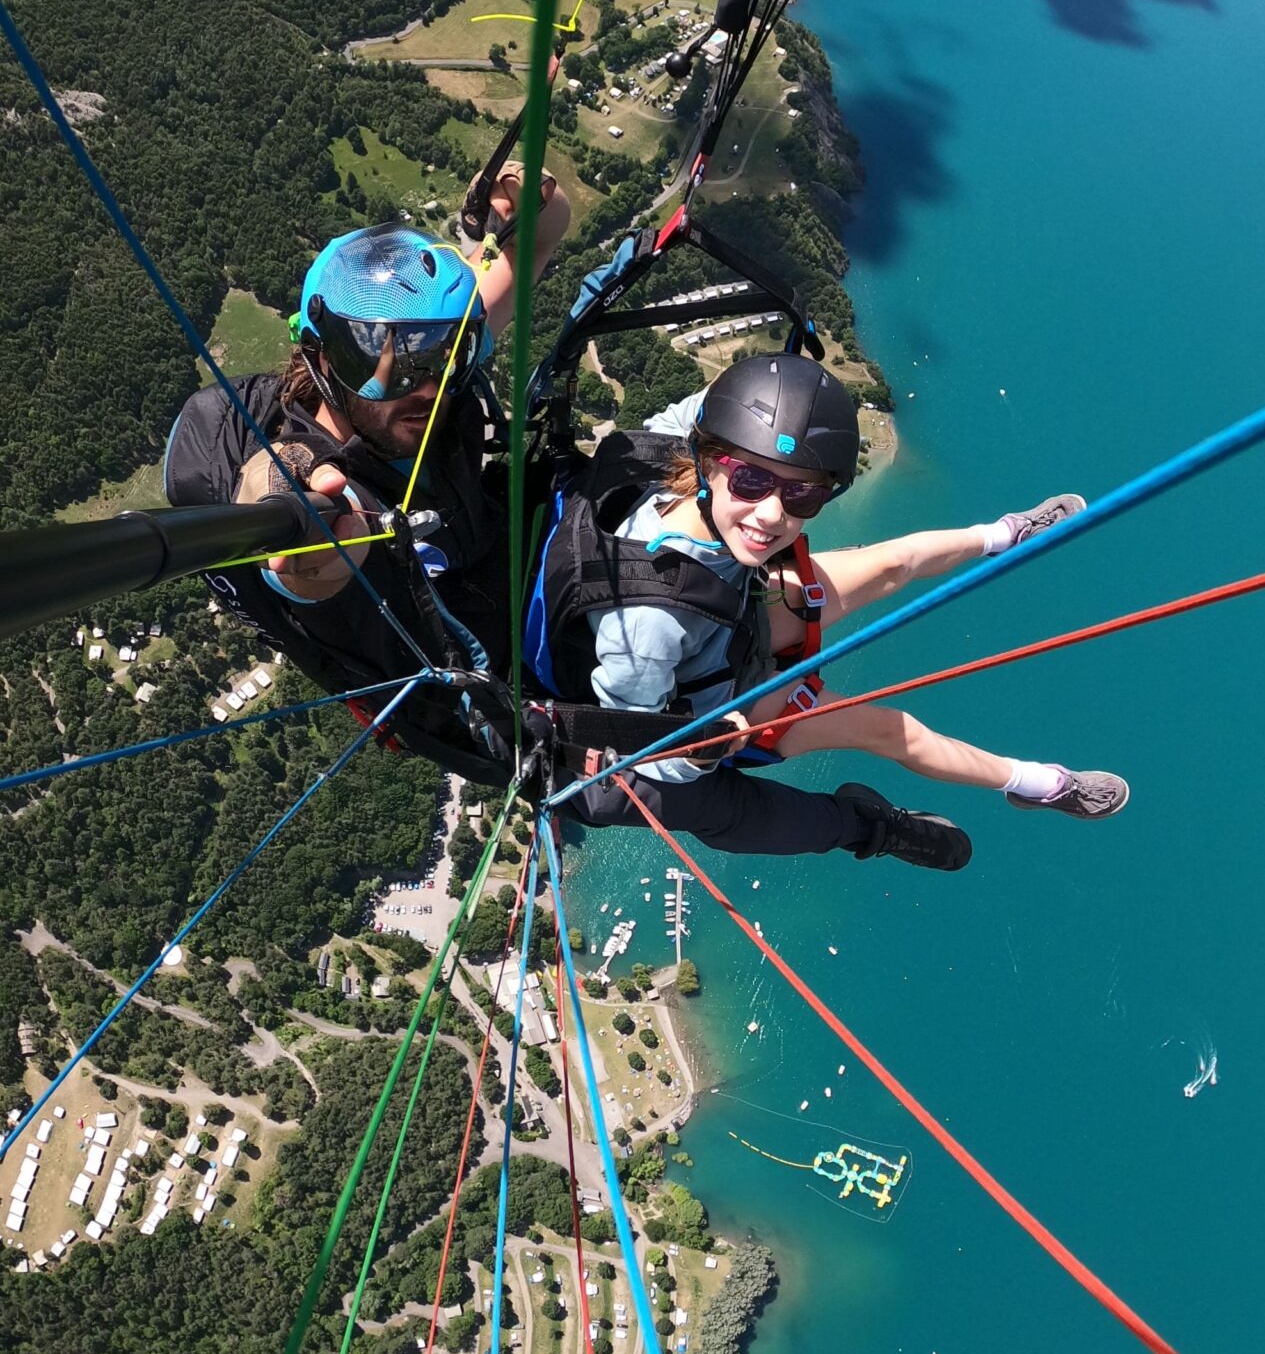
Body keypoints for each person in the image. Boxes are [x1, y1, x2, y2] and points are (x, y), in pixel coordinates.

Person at [539, 349, 1128, 870]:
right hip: (713, 691)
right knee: (889, 729)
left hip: (727, 614)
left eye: (804, 494)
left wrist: (789, 386)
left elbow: (710, 409)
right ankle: (1038, 784)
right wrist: (710, 749)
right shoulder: (645, 630)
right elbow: (642, 752)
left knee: (894, 562)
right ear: (710, 464)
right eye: (750, 481)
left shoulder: (671, 449)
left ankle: (1004, 535)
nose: (771, 515)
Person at [163, 168, 571, 778]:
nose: (427, 387)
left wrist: (532, 195)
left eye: (444, 356)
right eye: (392, 361)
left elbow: (538, 239)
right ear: (323, 359)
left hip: (503, 579)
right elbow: (298, 551)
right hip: (487, 689)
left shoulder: (426, 365)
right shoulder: (313, 468)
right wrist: (297, 545)